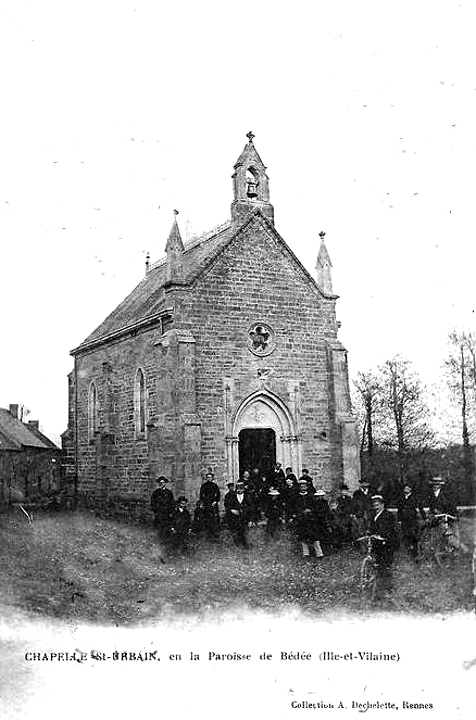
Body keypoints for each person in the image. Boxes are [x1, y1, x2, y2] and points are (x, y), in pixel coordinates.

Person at [369, 494, 399, 600]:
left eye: (377, 505)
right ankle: (379, 587)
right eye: (374, 506)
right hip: (378, 544)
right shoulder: (374, 515)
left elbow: (391, 530)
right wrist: (371, 533)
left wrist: (382, 536)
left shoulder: (388, 515)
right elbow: (372, 528)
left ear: (382, 504)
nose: (376, 507)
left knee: (385, 566)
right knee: (379, 565)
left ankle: (387, 589)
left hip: (387, 544)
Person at [427, 477, 469, 553]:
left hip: (449, 517)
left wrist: (452, 515)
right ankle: (442, 551)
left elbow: (451, 506)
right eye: (434, 484)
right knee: (436, 535)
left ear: (440, 485)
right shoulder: (431, 495)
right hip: (438, 519)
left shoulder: (446, 495)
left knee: (451, 537)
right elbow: (432, 508)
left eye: (437, 484)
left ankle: (465, 551)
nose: (435, 486)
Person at [289, 480, 324, 559]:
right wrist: (300, 512)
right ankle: (306, 553)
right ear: (299, 487)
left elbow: (316, 507)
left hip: (311, 519)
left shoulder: (311, 496)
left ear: (307, 487)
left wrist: (310, 510)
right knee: (303, 536)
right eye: (301, 487)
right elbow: (293, 507)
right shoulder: (296, 497)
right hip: (301, 519)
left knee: (315, 536)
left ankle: (319, 553)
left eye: (304, 486)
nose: (303, 488)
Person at [397, 481, 425, 561]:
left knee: (413, 536)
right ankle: (408, 553)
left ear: (411, 489)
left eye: (408, 488)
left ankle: (415, 554)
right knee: (405, 536)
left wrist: (423, 518)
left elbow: (420, 509)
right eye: (405, 488)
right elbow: (399, 510)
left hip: (413, 521)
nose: (406, 489)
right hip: (404, 521)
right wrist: (399, 520)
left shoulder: (415, 498)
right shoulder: (401, 498)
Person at [224, 481, 253, 548]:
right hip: (235, 518)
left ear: (243, 489)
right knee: (236, 531)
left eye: (241, 489)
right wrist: (231, 510)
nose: (240, 491)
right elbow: (227, 505)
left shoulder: (247, 496)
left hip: (245, 517)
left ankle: (246, 544)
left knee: (244, 531)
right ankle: (237, 544)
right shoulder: (232, 496)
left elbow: (251, 509)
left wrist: (251, 520)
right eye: (238, 489)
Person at [150, 476, 175, 545]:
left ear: (165, 483)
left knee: (166, 527)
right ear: (158, 484)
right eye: (160, 483)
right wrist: (156, 512)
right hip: (159, 513)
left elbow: (172, 503)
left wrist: (171, 512)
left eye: (163, 482)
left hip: (167, 513)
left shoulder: (169, 492)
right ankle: (158, 541)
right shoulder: (156, 492)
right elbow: (152, 503)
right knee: (159, 527)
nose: (161, 484)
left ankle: (166, 541)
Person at [198, 472, 221, 540]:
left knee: (214, 519)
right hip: (206, 504)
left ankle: (215, 534)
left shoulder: (215, 485)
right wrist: (202, 503)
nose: (209, 479)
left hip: (213, 504)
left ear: (212, 478)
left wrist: (215, 502)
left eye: (210, 477)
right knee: (206, 519)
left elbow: (218, 495)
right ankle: (207, 534)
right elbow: (201, 495)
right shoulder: (204, 486)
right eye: (208, 477)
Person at [332, 484, 353, 548]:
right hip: (340, 515)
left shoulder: (349, 499)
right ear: (340, 492)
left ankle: (348, 542)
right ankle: (339, 543)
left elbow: (351, 507)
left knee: (349, 528)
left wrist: (350, 513)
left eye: (345, 491)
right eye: (343, 491)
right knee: (339, 527)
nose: (344, 492)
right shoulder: (338, 499)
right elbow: (337, 507)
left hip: (347, 515)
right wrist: (338, 511)